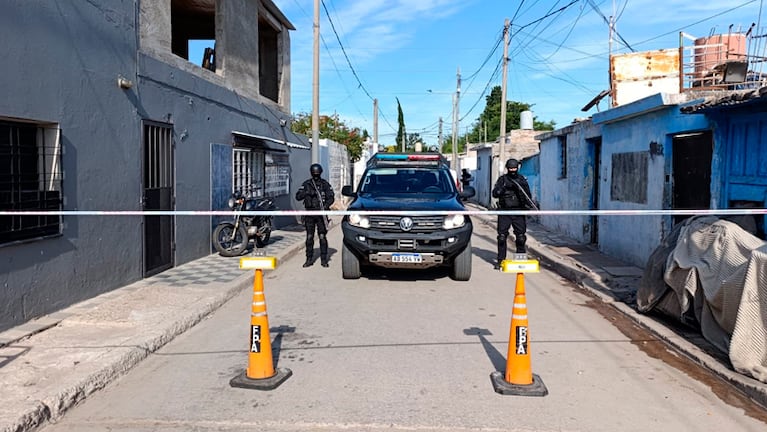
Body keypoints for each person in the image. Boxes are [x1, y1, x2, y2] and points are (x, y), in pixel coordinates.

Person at [492, 158, 534, 269]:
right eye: (510, 168)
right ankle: (501, 261)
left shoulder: (521, 180)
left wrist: (528, 206)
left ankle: (520, 259)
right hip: (505, 212)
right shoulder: (502, 180)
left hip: (518, 211)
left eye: (514, 168)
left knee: (520, 237)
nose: (512, 170)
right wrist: (503, 188)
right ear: (507, 168)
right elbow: (495, 194)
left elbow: (528, 196)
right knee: (501, 237)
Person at [295, 163, 335, 268]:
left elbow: (331, 197)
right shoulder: (307, 184)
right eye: (314, 174)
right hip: (309, 213)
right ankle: (309, 259)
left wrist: (325, 206)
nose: (316, 176)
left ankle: (324, 259)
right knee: (309, 237)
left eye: (317, 174)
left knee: (322, 236)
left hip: (321, 213)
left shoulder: (324, 184)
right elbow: (298, 196)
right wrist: (307, 192)